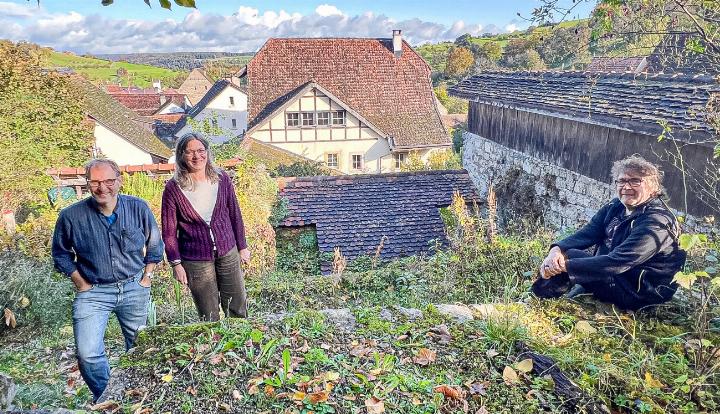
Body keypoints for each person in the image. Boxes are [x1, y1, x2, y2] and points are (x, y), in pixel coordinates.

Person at [52, 159, 163, 401]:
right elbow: (60, 253)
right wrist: (81, 284)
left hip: (134, 287)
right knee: (88, 353)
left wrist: (147, 277)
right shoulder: (71, 216)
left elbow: (154, 244)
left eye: (109, 181)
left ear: (119, 181)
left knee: (139, 346)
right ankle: (108, 399)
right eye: (96, 182)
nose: (103, 188)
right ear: (88, 183)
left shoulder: (138, 208)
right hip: (93, 292)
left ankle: (137, 395)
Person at [532, 155, 686, 311]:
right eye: (622, 181)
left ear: (653, 188)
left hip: (640, 292)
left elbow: (619, 261)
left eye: (635, 181)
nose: (626, 187)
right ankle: (540, 298)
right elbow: (588, 234)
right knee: (565, 253)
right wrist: (556, 250)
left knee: (570, 258)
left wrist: (565, 266)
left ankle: (538, 303)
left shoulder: (657, 222)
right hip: (618, 277)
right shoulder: (616, 206)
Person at [161, 132, 251, 321]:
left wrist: (242, 246)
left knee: (237, 306)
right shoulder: (174, 188)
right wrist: (176, 263)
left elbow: (235, 213)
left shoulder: (221, 178)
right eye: (190, 152)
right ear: (181, 155)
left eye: (201, 150)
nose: (197, 156)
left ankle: (241, 345)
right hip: (195, 260)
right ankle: (215, 348)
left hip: (228, 251)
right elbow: (169, 231)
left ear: (208, 152)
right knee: (208, 314)